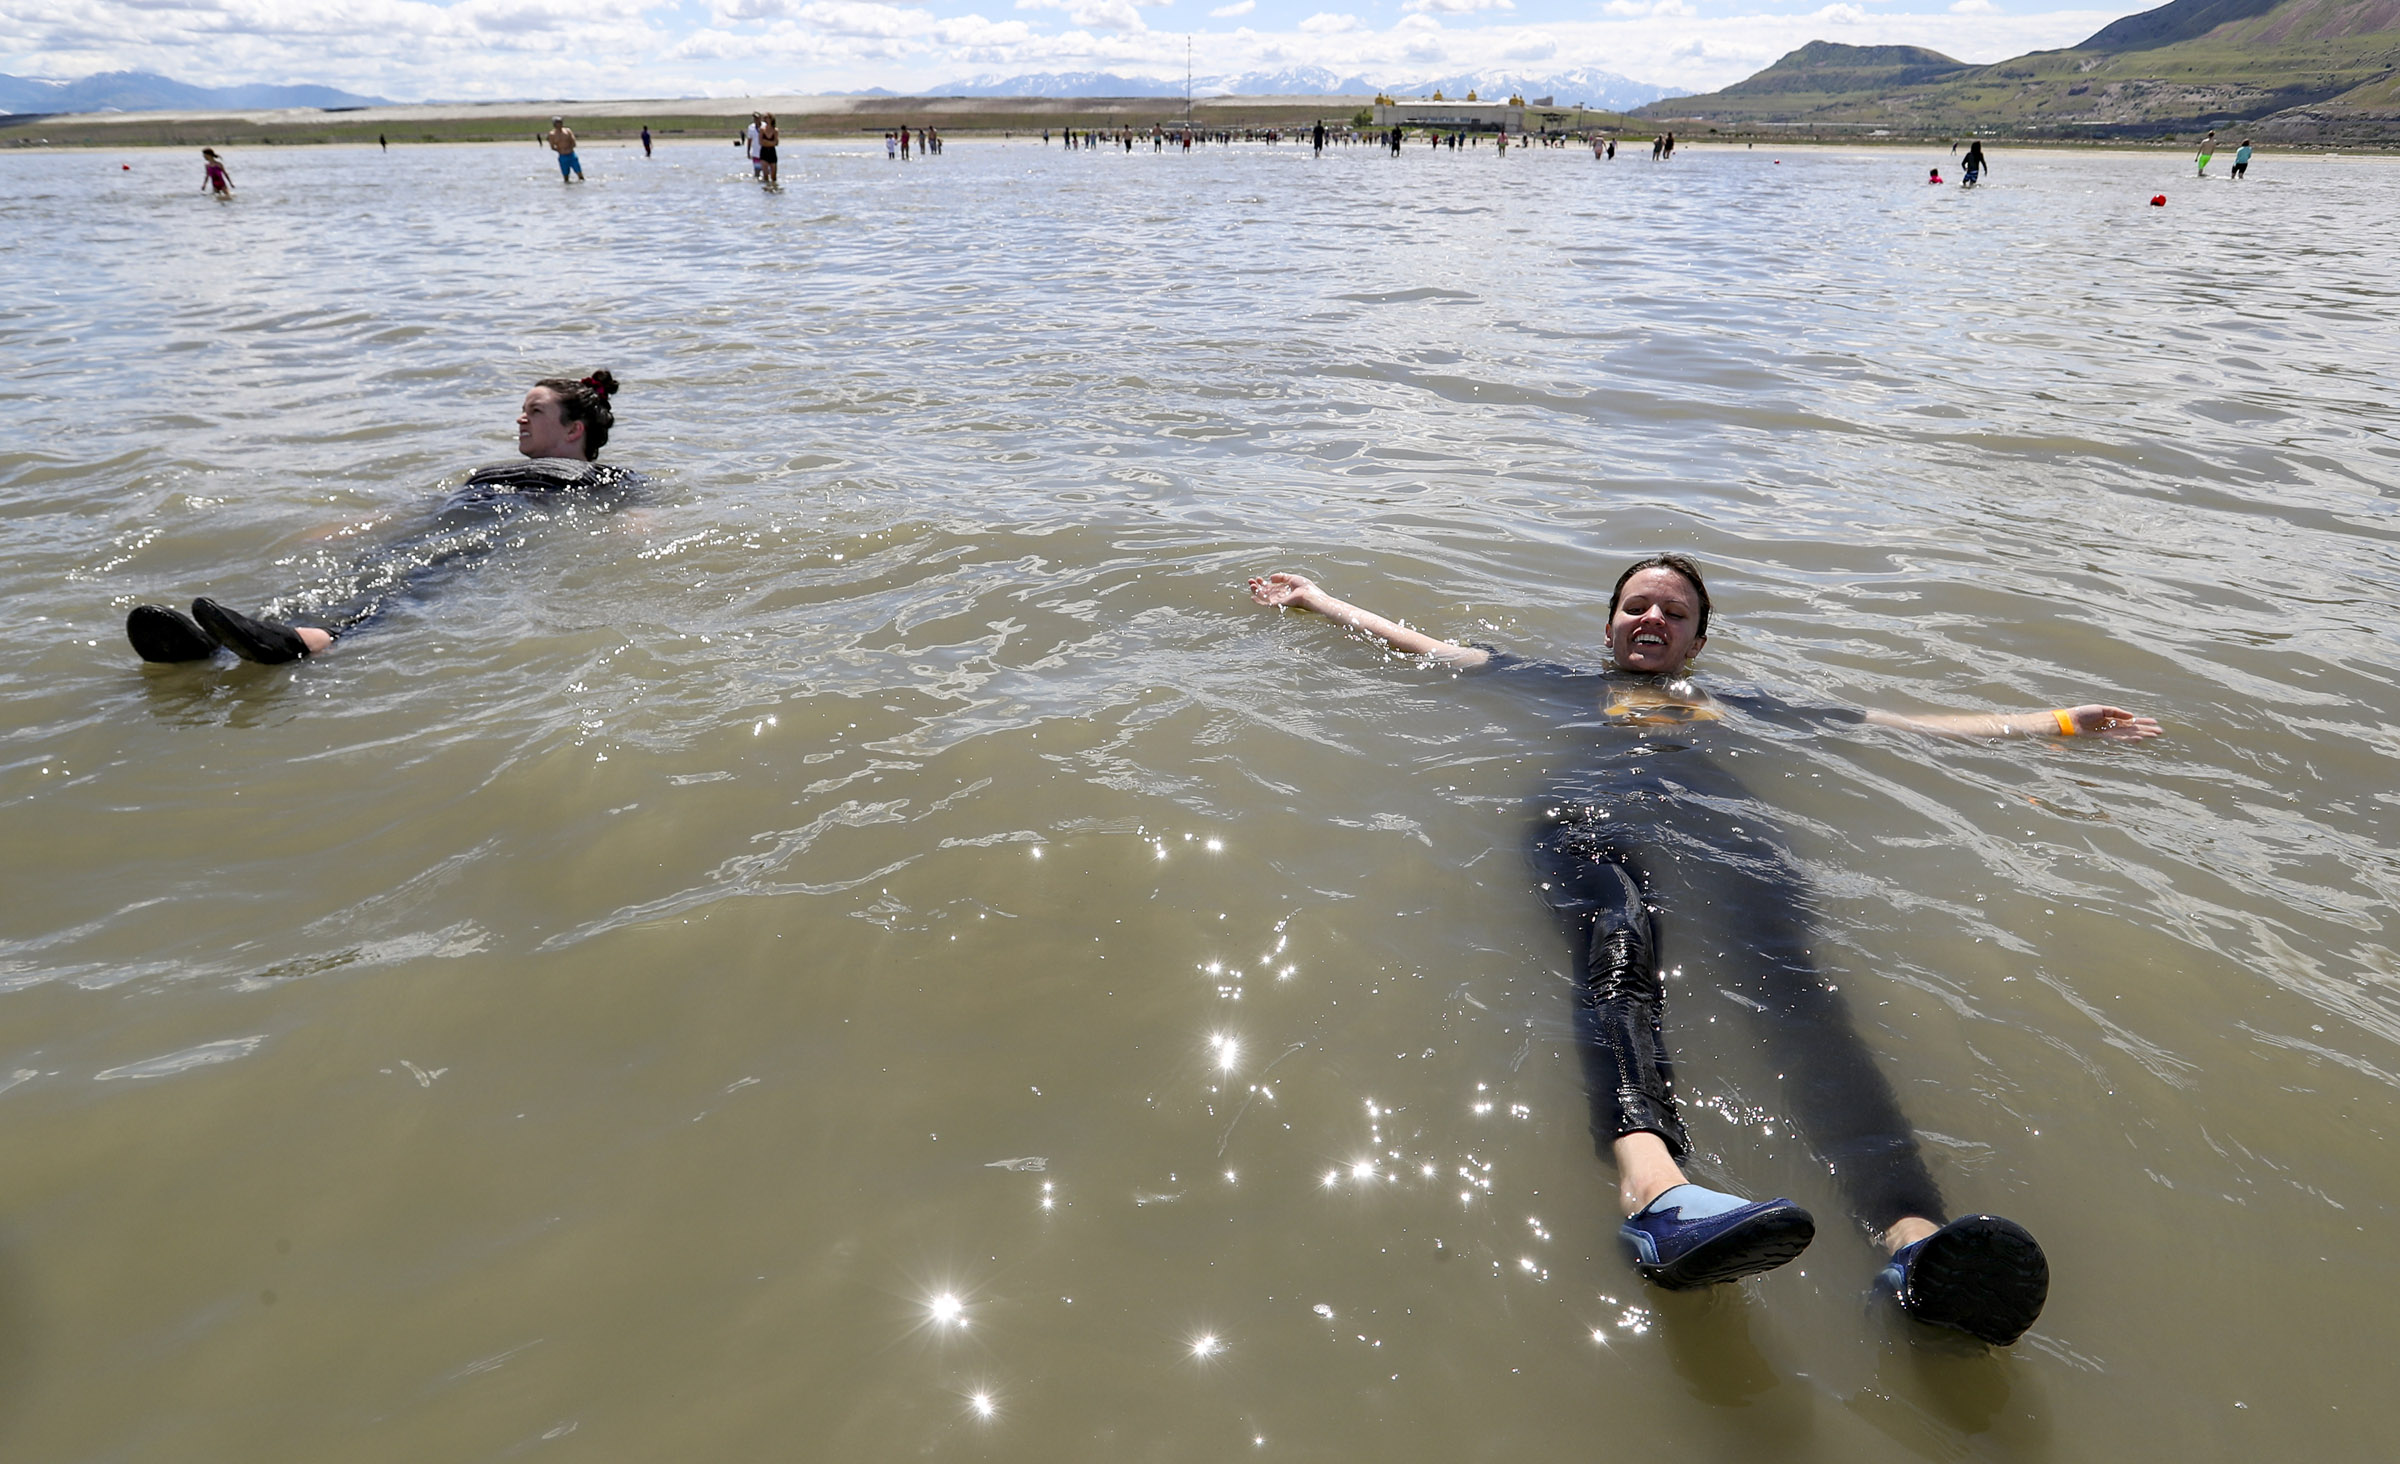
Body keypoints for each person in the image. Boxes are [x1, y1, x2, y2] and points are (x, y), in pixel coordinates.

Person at [1247, 557, 2162, 1346]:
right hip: (1586, 823)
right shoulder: (1557, 680)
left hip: (1721, 833)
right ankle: (1657, 1198)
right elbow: (1424, 648)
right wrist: (1318, 599)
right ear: (1609, 627)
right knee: (1620, 940)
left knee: (1804, 996)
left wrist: (2061, 724)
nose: (1652, 618)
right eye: (1636, 607)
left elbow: (1898, 725)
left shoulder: (1739, 705)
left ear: (1695, 644)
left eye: (1673, 613)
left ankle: (1916, 1244)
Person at [126, 372, 642, 666]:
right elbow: (424, 506)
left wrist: (634, 529)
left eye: (535, 411)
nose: (520, 418)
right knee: (359, 571)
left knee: (410, 583)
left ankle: (311, 642)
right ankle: (219, 643)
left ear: (574, 430)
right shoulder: (490, 468)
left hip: (500, 526)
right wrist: (362, 523)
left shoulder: (607, 477)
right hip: (452, 518)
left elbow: (633, 513)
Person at [549, 118, 583, 183]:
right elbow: (552, 147)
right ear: (554, 124)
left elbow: (573, 142)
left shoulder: (567, 131)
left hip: (571, 155)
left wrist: (569, 148)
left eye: (560, 122)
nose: (560, 124)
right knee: (566, 178)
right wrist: (560, 150)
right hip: (562, 156)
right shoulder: (552, 134)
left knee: (580, 174)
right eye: (558, 122)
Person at [759, 113, 780, 189]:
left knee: (773, 176)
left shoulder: (775, 130)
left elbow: (776, 143)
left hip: (772, 152)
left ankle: (774, 187)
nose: (766, 120)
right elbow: (761, 142)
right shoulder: (762, 129)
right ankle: (766, 187)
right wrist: (771, 143)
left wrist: (767, 142)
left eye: (768, 118)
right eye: (765, 119)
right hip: (764, 152)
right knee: (765, 174)